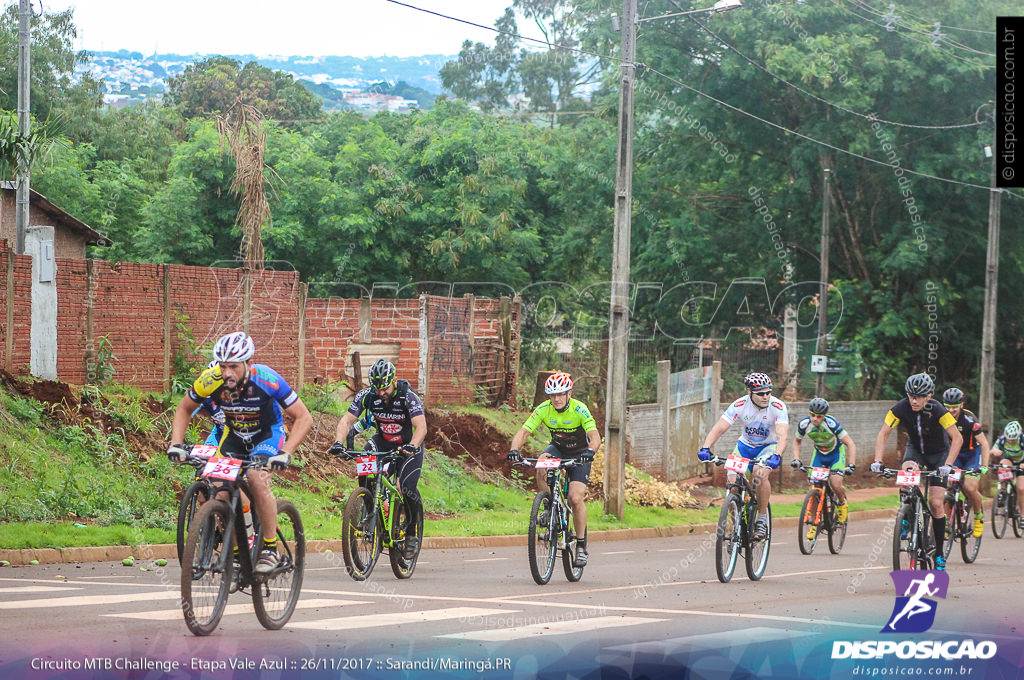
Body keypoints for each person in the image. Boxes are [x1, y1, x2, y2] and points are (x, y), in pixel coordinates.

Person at [167, 332, 313, 575]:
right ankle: (236, 553)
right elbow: (184, 408)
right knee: (219, 491)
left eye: (233, 366)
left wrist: (286, 453)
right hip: (234, 438)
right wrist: (176, 443)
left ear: (249, 363)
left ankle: (269, 549)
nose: (227, 373)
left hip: (267, 435)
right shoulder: (210, 379)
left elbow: (304, 417)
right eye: (223, 366)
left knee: (256, 478)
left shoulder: (266, 378)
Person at [329, 359, 427, 559]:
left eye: (385, 388)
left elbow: (421, 427)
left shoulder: (408, 396)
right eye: (377, 388)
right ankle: (370, 513)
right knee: (365, 469)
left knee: (407, 487)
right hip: (382, 442)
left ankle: (411, 533)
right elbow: (346, 420)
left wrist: (412, 446)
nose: (381, 393)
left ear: (394, 381)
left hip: (408, 445)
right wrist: (339, 442)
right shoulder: (367, 395)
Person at [870, 373, 963, 571]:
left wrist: (948, 464)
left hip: (939, 455)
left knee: (936, 504)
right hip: (916, 451)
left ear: (929, 396)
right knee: (906, 477)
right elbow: (883, 432)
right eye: (911, 395)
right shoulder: (900, 407)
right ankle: (906, 516)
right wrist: (877, 460)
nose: (914, 400)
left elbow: (957, 438)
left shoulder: (938, 409)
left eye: (919, 397)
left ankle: (938, 555)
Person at [507, 371, 600, 568]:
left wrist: (590, 452)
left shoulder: (580, 409)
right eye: (552, 395)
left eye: (561, 394)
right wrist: (514, 450)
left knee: (575, 498)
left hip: (580, 454)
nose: (556, 399)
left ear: (569, 393)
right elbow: (524, 432)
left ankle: (581, 546)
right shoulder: (543, 409)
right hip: (558, 448)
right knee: (541, 462)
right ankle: (549, 506)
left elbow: (595, 436)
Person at [698, 372, 789, 540]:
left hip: (768, 447)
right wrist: (705, 447)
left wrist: (777, 455)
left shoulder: (778, 407)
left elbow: (783, 436)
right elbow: (719, 428)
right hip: (744, 447)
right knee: (732, 484)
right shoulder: (739, 405)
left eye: (768, 392)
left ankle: (761, 519)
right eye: (761, 393)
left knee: (759, 474)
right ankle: (737, 525)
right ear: (749, 392)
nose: (766, 396)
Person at [790, 397, 857, 539]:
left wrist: (851, 465)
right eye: (812, 415)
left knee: (836, 483)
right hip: (820, 454)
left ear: (824, 416)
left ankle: (842, 504)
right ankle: (815, 523)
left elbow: (850, 443)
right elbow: (796, 441)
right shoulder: (804, 424)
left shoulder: (832, 424)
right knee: (814, 487)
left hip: (836, 454)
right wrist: (796, 459)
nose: (815, 418)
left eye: (818, 416)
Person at [941, 387, 990, 538]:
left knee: (969, 488)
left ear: (961, 405)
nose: (950, 410)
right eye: (947, 406)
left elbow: (984, 444)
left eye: (954, 407)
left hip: (971, 455)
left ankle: (978, 516)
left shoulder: (970, 420)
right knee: (947, 487)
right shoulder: (941, 418)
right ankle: (948, 523)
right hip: (954, 455)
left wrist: (984, 466)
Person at [992, 420, 1024, 529]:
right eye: (1009, 439)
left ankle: (1023, 516)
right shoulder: (1002, 440)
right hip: (1009, 460)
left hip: (1021, 464)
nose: (1011, 441)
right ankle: (1003, 491)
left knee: (1021, 489)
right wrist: (994, 452)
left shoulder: (1022, 440)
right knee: (1002, 465)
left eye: (1014, 439)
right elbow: (993, 450)